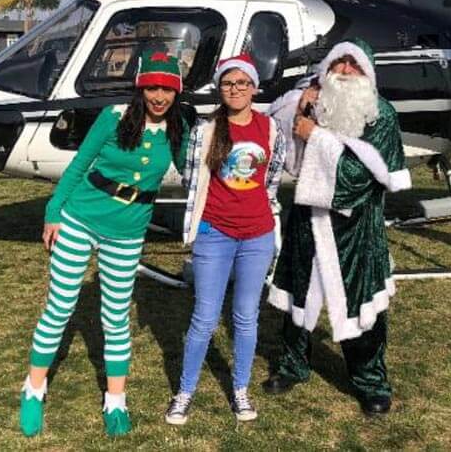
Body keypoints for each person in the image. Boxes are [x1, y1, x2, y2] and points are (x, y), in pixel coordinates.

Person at [19, 51, 190, 438]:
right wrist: (53, 210)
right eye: (152, 87)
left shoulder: (178, 129)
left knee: (115, 317)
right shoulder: (114, 116)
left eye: (167, 88)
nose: (159, 96)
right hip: (81, 218)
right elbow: (80, 164)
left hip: (128, 233)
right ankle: (33, 388)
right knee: (60, 306)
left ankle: (115, 400)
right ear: (141, 87)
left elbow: (195, 172)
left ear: (176, 92)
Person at [263, 38, 411, 416]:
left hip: (356, 229)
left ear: (368, 73)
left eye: (353, 65)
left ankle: (370, 381)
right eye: (338, 64)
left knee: (363, 308)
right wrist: (298, 109)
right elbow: (282, 144)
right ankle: (293, 366)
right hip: (308, 220)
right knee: (296, 298)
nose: (345, 71)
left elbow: (360, 176)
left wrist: (316, 136)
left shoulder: (382, 115)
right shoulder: (315, 102)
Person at [165, 54, 286, 425]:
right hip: (214, 234)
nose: (235, 89)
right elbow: (191, 178)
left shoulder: (271, 129)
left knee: (246, 316)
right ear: (220, 88)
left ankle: (240, 389)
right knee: (204, 317)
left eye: (242, 83)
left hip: (258, 236)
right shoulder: (206, 130)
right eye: (228, 84)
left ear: (254, 87)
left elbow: (273, 179)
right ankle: (184, 392)